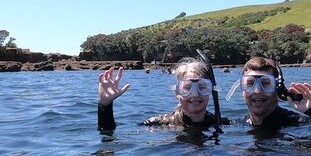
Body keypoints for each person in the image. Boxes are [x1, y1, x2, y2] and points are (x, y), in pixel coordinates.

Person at [97, 57, 230, 131]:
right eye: (187, 87)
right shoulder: (158, 124)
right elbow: (109, 132)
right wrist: (105, 106)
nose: (194, 94)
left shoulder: (223, 123)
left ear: (211, 91)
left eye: (201, 87)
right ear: (177, 92)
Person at [235, 56, 311, 131]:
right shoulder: (235, 125)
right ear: (242, 90)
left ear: (278, 89)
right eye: (249, 84)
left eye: (266, 83)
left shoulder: (299, 124)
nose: (257, 90)